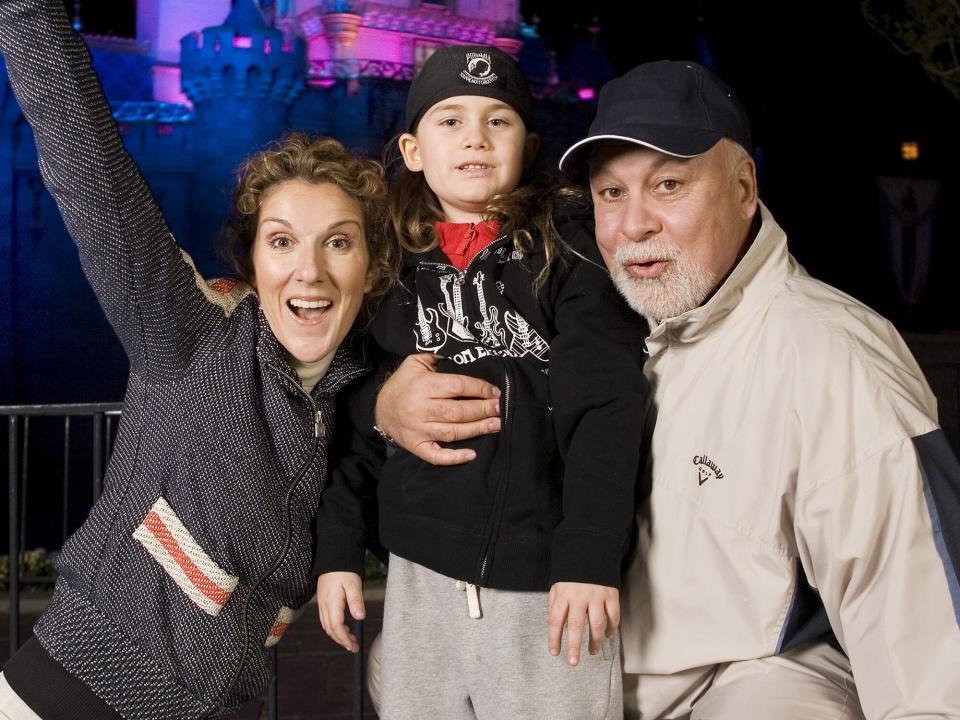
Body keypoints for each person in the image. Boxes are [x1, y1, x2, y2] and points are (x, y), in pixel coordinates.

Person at [374, 60, 960, 719]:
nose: (635, 224)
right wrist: (386, 408)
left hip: (746, 682)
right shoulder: (588, 306)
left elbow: (918, 625)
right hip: (569, 681)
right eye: (611, 194)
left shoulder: (830, 357)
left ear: (743, 187)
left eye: (670, 185)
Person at [0, 0, 396, 718]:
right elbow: (89, 172)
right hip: (70, 698)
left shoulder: (355, 399)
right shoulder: (193, 338)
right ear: (250, 259)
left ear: (372, 268)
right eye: (281, 241)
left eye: (337, 241)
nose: (308, 271)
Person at [314, 44, 649, 719]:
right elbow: (352, 415)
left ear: (527, 146)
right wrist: (337, 553)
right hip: (419, 579)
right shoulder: (387, 269)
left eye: (499, 121)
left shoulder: (571, 252)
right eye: (450, 121)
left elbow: (606, 409)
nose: (475, 136)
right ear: (412, 150)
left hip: (545, 586)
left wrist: (586, 557)